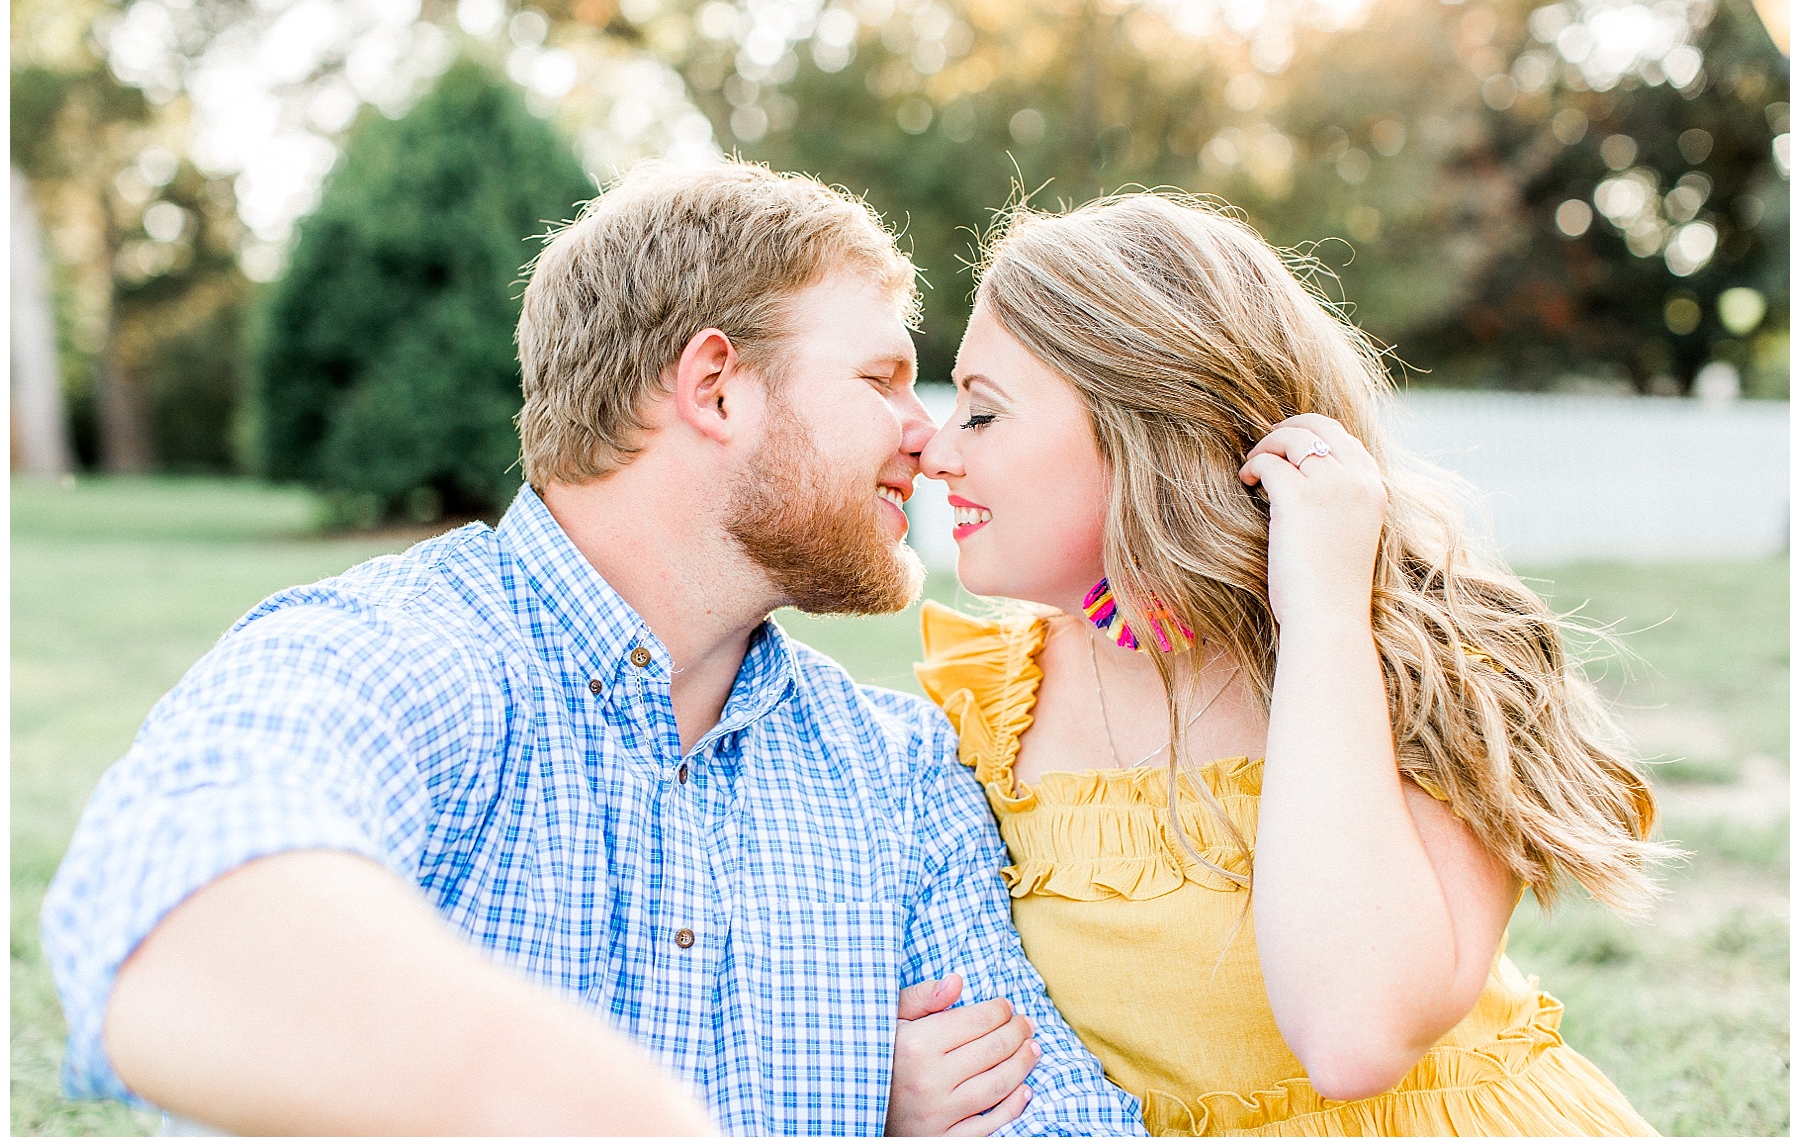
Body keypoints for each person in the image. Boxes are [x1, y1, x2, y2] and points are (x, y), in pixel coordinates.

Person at [38, 162, 1146, 1137]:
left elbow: (1058, 1124)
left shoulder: (896, 772)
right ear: (715, 386)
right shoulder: (392, 655)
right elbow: (185, 919)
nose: (930, 433)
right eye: (881, 380)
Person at [913, 192, 1673, 1136]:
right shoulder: (980, 703)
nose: (935, 450)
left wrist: (1319, 618)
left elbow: (1355, 1033)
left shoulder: (1422, 664)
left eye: (982, 413)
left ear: (1151, 422)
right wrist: (906, 1077)